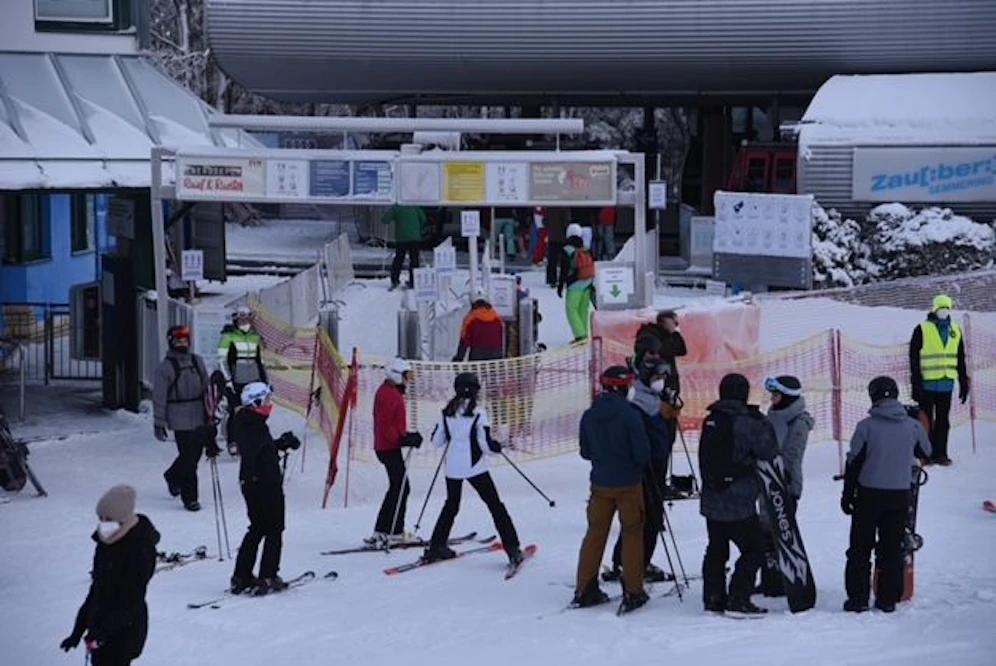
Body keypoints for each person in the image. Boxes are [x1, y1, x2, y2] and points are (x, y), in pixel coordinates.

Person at [841, 376, 932, 613]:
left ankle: (858, 599)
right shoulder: (912, 426)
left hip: (868, 495)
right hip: (899, 495)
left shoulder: (866, 426)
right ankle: (888, 599)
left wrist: (847, 494)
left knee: (860, 548)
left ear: (873, 396)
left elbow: (854, 462)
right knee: (891, 549)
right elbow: (926, 451)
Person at [423, 372, 524, 567]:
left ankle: (436, 547)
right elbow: (485, 445)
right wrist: (496, 447)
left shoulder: (447, 412)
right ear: (476, 390)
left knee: (451, 506)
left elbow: (436, 441)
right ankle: (512, 549)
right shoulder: (478, 412)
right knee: (495, 506)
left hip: (453, 467)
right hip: (474, 466)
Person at [698, 373, 778, 615]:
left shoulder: (712, 419)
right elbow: (768, 451)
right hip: (739, 501)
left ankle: (713, 597)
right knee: (754, 549)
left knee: (716, 549)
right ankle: (739, 597)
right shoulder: (749, 422)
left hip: (711, 498)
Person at [574, 366, 651, 612]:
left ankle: (585, 587)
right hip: (628, 483)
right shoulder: (630, 415)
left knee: (595, 533)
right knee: (632, 533)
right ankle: (633, 589)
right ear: (623, 387)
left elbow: (585, 451)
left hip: (600, 482)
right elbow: (642, 454)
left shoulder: (590, 414)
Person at [61, 485, 160, 666]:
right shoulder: (105, 542)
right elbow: (96, 591)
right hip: (100, 626)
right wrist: (78, 631)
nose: (103, 523)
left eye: (109, 519)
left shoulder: (140, 548)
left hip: (124, 632)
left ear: (123, 519)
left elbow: (131, 599)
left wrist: (102, 633)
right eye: (101, 518)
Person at [603, 335, 671, 584]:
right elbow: (644, 438)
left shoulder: (650, 395)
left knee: (639, 518)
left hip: (652, 464)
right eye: (658, 377)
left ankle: (624, 561)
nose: (661, 381)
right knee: (648, 519)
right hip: (646, 467)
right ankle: (637, 566)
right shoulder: (639, 400)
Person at [230, 382, 301, 595]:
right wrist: (265, 467)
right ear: (256, 403)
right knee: (274, 528)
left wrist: (280, 444)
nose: (270, 404)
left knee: (258, 527)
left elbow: (260, 448)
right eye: (267, 400)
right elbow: (254, 450)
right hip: (264, 483)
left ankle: (241, 575)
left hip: (253, 482)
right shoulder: (254, 425)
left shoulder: (248, 421)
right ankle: (268, 575)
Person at [757, 375, 814, 597]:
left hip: (785, 485)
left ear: (788, 397)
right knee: (765, 532)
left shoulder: (798, 422)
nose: (772, 398)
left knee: (780, 532)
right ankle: (769, 578)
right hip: (767, 482)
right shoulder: (773, 417)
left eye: (777, 395)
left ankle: (785, 577)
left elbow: (792, 455)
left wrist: (783, 479)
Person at [153, 324, 219, 512]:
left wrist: (211, 411)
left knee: (194, 454)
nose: (182, 344)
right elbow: (159, 397)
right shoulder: (165, 368)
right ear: (171, 342)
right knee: (189, 458)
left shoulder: (197, 361)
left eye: (185, 340)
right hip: (179, 416)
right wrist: (159, 422)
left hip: (198, 413)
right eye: (178, 341)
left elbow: (206, 388)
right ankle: (190, 497)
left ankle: (173, 475)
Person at [367, 358, 423, 547]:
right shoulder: (388, 394)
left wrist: (407, 436)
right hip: (388, 447)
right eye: (407, 376)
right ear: (397, 375)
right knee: (401, 488)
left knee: (397, 487)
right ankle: (395, 531)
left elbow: (393, 423)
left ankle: (382, 530)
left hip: (389, 446)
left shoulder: (391, 392)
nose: (409, 380)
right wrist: (401, 440)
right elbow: (385, 424)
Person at [908, 293, 969, 466]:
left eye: (947, 308)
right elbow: (913, 357)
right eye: (941, 308)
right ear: (934, 309)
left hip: (946, 384)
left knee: (943, 421)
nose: (944, 311)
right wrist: (916, 382)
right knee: (925, 421)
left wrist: (963, 381)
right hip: (926, 384)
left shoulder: (955, 330)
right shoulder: (922, 329)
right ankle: (925, 454)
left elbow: (960, 357)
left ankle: (940, 453)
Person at [636, 309, 688, 493]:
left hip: (665, 398)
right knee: (659, 443)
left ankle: (657, 483)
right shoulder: (651, 338)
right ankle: (654, 485)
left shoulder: (662, 337)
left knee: (665, 442)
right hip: (656, 402)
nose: (676, 326)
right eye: (675, 322)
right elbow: (675, 348)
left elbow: (681, 349)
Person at [217, 306, 268, 454]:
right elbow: (222, 360)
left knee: (255, 411)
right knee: (236, 411)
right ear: (236, 321)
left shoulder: (255, 337)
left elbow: (261, 360)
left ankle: (253, 439)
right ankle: (233, 441)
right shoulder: (228, 337)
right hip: (237, 379)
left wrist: (264, 380)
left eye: (247, 320)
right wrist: (228, 380)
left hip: (254, 378)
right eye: (241, 320)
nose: (244, 322)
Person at [557, 222, 596, 342]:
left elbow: (564, 270)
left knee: (571, 309)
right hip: (588, 282)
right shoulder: (585, 248)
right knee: (583, 310)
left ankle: (580, 335)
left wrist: (560, 285)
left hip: (575, 284)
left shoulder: (567, 249)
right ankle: (584, 334)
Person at [383, 204, 426, 290]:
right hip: (415, 237)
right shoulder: (415, 206)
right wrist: (418, 229)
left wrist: (390, 209)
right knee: (414, 259)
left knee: (398, 259)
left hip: (401, 238)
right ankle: (413, 281)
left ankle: (395, 280)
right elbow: (423, 219)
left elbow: (385, 220)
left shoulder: (397, 207)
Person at [453, 296, 505, 361]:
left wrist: (458, 359)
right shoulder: (496, 317)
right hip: (496, 355)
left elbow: (464, 341)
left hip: (478, 355)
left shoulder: (470, 318)